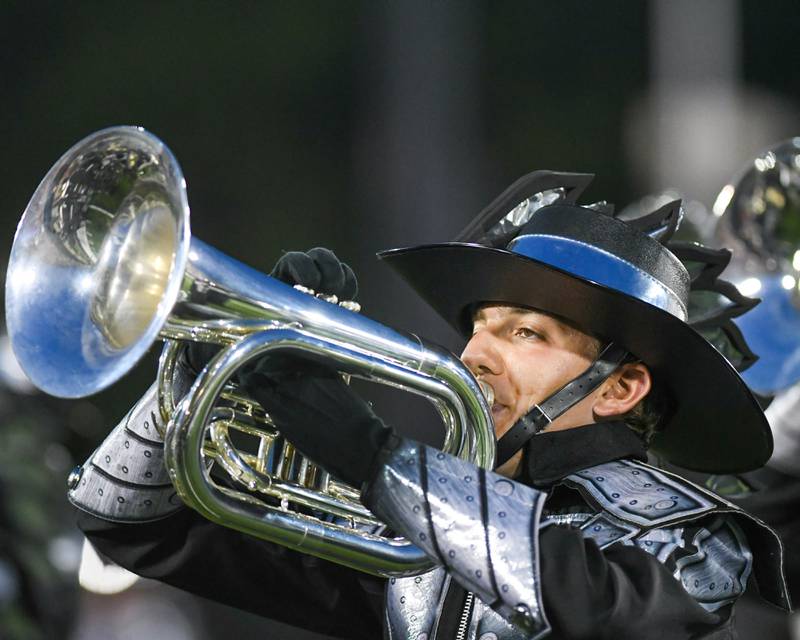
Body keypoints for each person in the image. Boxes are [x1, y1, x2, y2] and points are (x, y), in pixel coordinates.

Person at [69, 171, 789, 639]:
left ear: (621, 388)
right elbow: (125, 524)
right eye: (478, 326)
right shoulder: (418, 541)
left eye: (525, 333)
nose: (475, 354)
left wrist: (371, 454)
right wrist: (198, 371)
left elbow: (603, 613)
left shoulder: (699, 541)